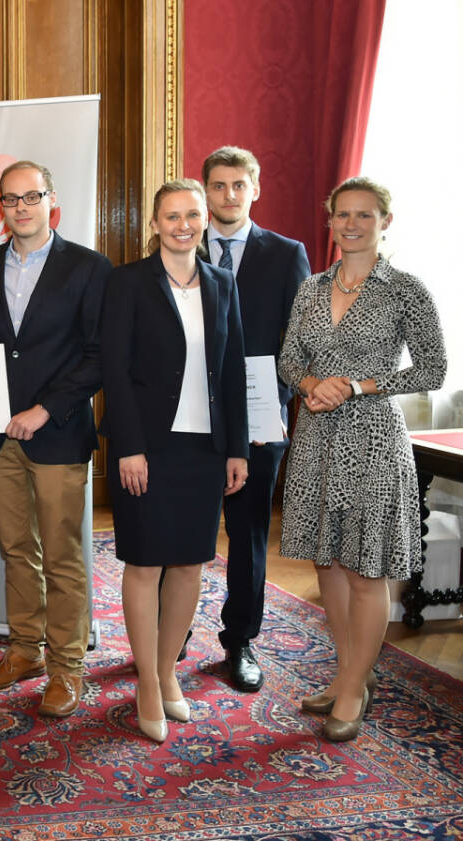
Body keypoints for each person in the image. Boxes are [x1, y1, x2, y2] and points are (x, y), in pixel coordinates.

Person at [278, 177, 446, 742]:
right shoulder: (310, 287)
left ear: (385, 222)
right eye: (343, 215)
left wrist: (355, 384)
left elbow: (432, 371)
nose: (352, 224)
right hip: (317, 440)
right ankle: (349, 671)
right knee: (327, 560)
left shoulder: (405, 290)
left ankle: (353, 688)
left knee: (364, 567)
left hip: (373, 440)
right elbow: (287, 359)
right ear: (330, 222)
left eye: (365, 215)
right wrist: (311, 385)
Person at [100, 179, 248, 743]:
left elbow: (231, 368)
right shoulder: (128, 282)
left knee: (189, 564)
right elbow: (115, 369)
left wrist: (236, 447)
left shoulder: (222, 283)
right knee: (144, 564)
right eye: (171, 216)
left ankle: (167, 673)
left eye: (191, 215)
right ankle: (144, 680)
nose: (182, 224)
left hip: (204, 450)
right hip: (149, 447)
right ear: (155, 224)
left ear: (205, 219)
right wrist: (129, 446)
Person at [0, 160, 112, 717]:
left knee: (62, 556)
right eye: (11, 199)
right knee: (14, 550)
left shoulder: (88, 267)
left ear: (51, 200)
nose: (21, 207)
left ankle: (67, 668)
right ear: (0, 207)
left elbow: (98, 356)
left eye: (32, 197)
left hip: (57, 434)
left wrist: (45, 409)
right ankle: (24, 650)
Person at [198, 146, 310, 692]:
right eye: (217, 186)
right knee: (185, 530)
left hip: (259, 418)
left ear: (254, 189)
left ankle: (239, 640)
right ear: (205, 191)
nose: (228, 195)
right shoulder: (180, 242)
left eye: (238, 185)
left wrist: (276, 397)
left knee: (247, 535)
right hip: (189, 417)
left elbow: (301, 339)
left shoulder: (287, 254)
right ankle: (172, 634)